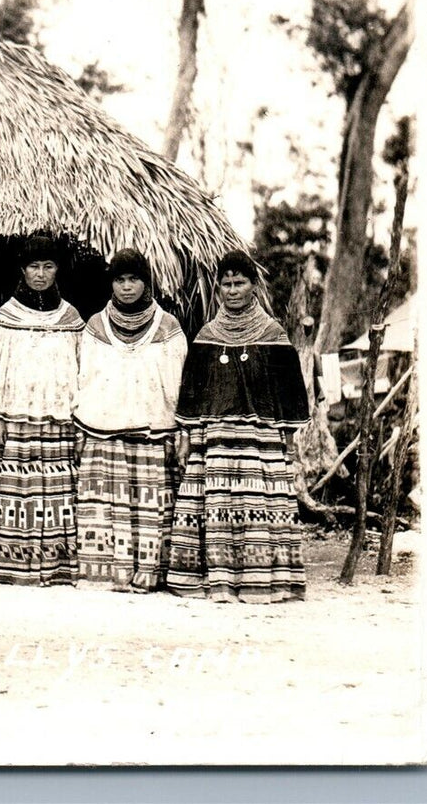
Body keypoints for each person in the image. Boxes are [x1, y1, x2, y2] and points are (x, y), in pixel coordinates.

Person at [168, 251, 310, 603]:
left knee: (258, 508)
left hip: (258, 443)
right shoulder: (207, 335)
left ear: (253, 286)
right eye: (226, 285)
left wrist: (287, 440)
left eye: (239, 283)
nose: (232, 291)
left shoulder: (273, 334)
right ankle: (217, 581)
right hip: (214, 441)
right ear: (217, 289)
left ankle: (264, 581)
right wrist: (188, 437)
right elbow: (192, 391)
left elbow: (290, 391)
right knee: (215, 508)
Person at [71, 249, 188, 591]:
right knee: (106, 507)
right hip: (103, 433)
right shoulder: (95, 326)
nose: (126, 287)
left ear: (146, 282)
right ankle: (107, 574)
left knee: (148, 505)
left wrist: (178, 428)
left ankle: (149, 572)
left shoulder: (168, 327)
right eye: (119, 280)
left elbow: (175, 381)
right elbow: (86, 378)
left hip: (152, 432)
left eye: (133, 279)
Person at [0, 232, 84, 586]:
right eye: (33, 267)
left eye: (48, 266)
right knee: (18, 490)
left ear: (58, 270)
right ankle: (14, 567)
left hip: (57, 423)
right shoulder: (6, 317)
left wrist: (77, 416)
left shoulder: (71, 319)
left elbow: (80, 369)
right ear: (22, 271)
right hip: (15, 420)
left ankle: (55, 566)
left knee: (55, 491)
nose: (40, 274)